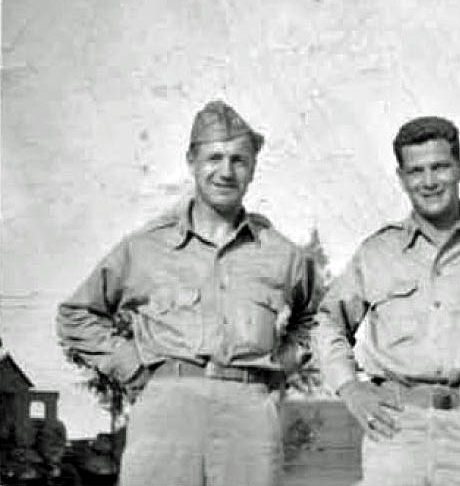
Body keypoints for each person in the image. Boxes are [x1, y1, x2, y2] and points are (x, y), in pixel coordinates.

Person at [56, 100, 317, 486]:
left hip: (249, 415)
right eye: (214, 158)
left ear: (253, 169)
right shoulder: (145, 248)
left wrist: (284, 365)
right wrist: (131, 367)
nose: (225, 171)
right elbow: (76, 314)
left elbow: (318, 319)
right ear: (191, 161)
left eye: (238, 160)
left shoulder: (280, 253)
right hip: (166, 413)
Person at [314, 116, 460, 486]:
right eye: (416, 171)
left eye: (440, 167)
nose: (429, 182)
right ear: (401, 178)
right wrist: (350, 388)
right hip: (395, 430)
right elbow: (327, 321)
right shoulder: (377, 252)